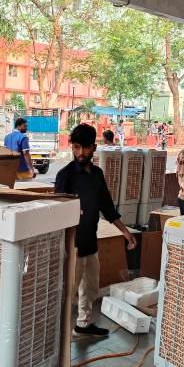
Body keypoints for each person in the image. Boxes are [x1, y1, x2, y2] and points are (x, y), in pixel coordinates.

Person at [55, 124, 137, 336]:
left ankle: (83, 324)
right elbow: (55, 212)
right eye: (76, 147)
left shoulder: (97, 174)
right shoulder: (66, 176)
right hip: (72, 246)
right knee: (68, 293)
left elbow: (107, 208)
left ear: (94, 147)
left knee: (90, 288)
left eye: (85, 148)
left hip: (90, 243)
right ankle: (57, 337)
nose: (81, 153)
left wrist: (125, 232)